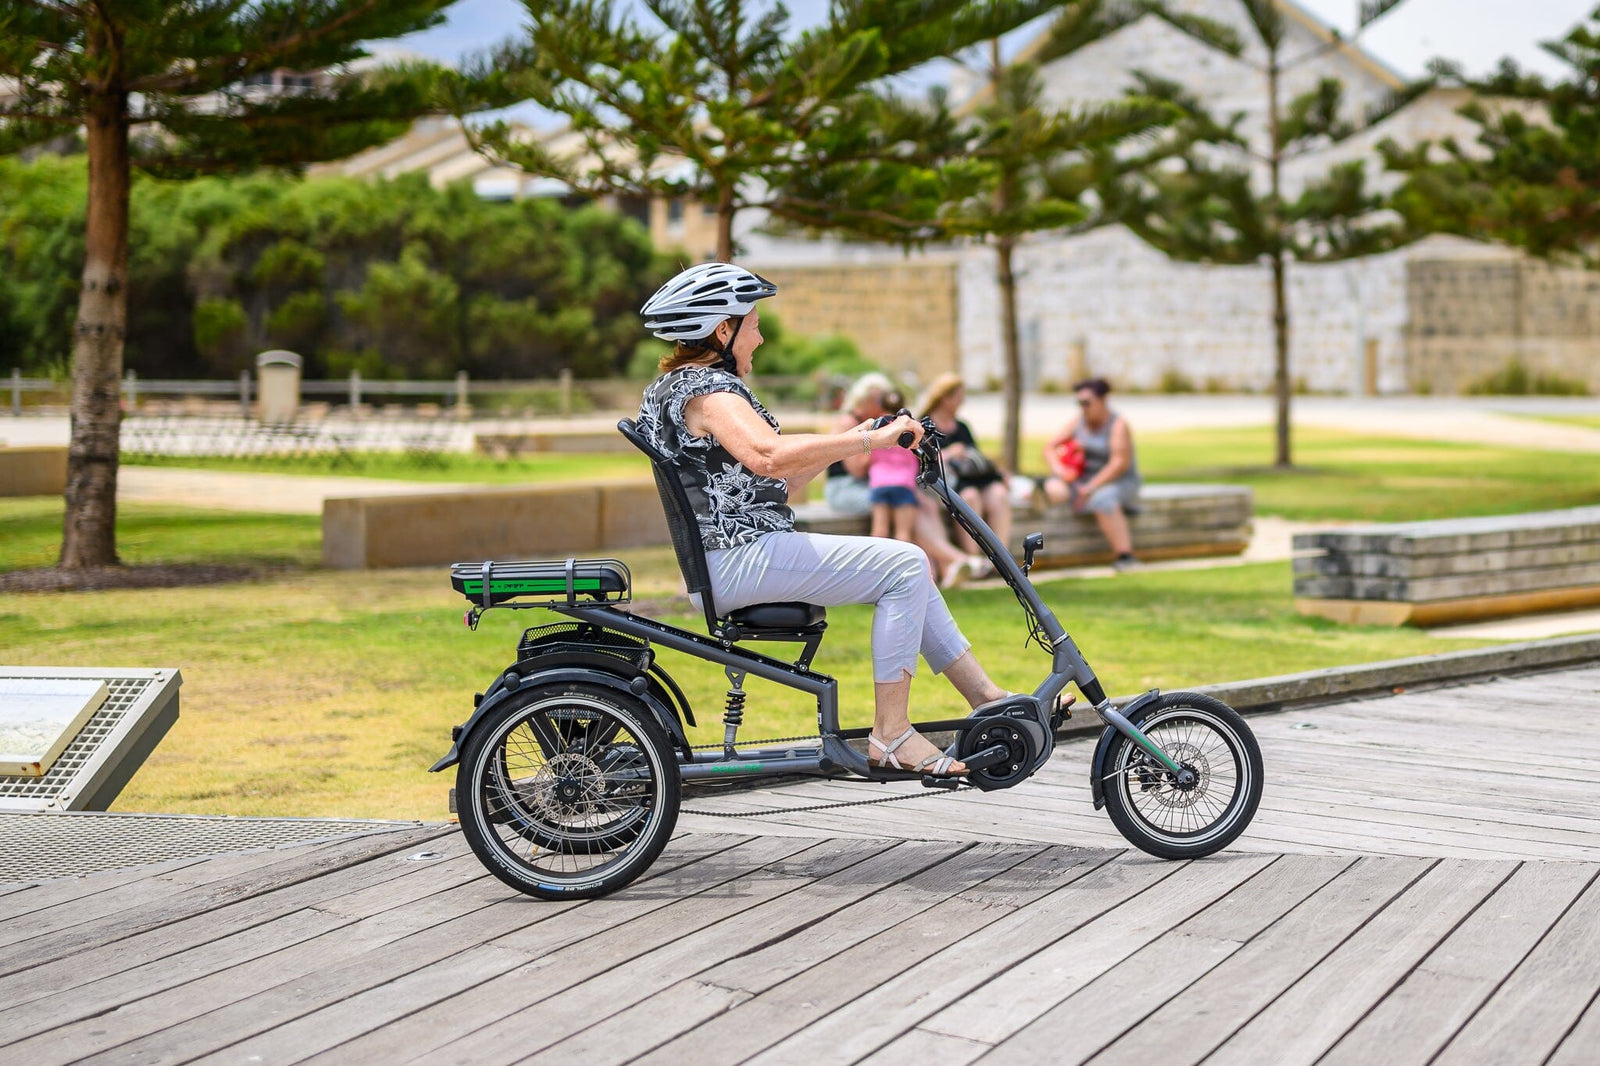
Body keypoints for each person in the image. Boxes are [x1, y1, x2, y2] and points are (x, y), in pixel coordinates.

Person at [634, 262, 1017, 777]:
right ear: (721, 330)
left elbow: (778, 481)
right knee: (905, 564)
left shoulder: (683, 388)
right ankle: (893, 734)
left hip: (736, 556)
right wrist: (867, 440)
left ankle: (987, 698)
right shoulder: (709, 392)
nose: (761, 335)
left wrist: (854, 437)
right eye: (752, 325)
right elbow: (769, 456)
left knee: (904, 569)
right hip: (739, 559)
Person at [828, 372, 984, 588]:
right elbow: (857, 469)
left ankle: (940, 569)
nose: (882, 404)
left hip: (878, 482)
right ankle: (951, 561)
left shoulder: (884, 422)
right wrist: (879, 441)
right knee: (909, 507)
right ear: (862, 400)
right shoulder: (850, 422)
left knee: (926, 503)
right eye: (877, 399)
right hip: (847, 487)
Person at [1042, 377, 1143, 569]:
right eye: (1079, 403)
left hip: (1118, 481)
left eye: (1087, 403)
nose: (1083, 407)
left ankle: (1126, 556)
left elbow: (1119, 464)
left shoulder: (1118, 425)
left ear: (1103, 400)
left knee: (1102, 500)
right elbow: (1049, 447)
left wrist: (1091, 487)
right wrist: (1060, 469)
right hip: (1082, 480)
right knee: (1052, 489)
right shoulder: (1078, 422)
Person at [917, 372, 1012, 561]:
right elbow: (919, 461)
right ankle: (974, 559)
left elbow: (976, 456)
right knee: (970, 498)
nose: (962, 402)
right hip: (947, 483)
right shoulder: (924, 425)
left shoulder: (961, 426)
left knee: (998, 494)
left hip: (972, 478)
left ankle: (1002, 560)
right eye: (959, 397)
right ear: (945, 398)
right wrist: (950, 452)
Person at [867, 390, 921, 543]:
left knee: (879, 531)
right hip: (903, 482)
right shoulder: (909, 426)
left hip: (880, 481)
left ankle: (875, 564)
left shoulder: (876, 425)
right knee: (903, 534)